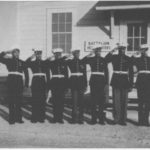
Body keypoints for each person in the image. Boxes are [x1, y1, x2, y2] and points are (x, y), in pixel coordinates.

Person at [105, 42, 133, 125]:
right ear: (118, 49)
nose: (122, 50)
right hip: (116, 80)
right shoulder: (114, 57)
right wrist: (112, 51)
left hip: (125, 81)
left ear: (125, 49)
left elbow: (131, 72)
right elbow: (106, 59)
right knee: (116, 101)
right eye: (120, 49)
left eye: (124, 48)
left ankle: (123, 120)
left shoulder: (128, 58)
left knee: (124, 102)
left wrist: (131, 84)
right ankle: (116, 119)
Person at [0, 48, 28, 124]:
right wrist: (6, 51)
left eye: (17, 53)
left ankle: (19, 118)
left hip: (19, 82)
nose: (16, 54)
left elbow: (26, 70)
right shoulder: (8, 60)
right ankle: (11, 119)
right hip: (11, 82)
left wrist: (26, 84)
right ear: (12, 54)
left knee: (19, 101)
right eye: (14, 53)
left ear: (19, 53)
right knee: (11, 101)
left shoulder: (22, 62)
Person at [83, 44, 108, 125]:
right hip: (93, 80)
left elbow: (106, 71)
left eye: (99, 50)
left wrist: (106, 82)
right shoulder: (91, 59)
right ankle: (93, 119)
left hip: (101, 81)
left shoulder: (103, 60)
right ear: (94, 51)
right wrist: (89, 55)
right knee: (93, 101)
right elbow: (82, 61)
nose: (98, 52)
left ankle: (101, 119)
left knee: (101, 101)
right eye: (96, 51)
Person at [26, 50, 49, 123]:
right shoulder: (32, 63)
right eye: (37, 54)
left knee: (42, 100)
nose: (39, 56)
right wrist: (31, 56)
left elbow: (48, 73)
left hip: (42, 81)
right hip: (35, 81)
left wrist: (48, 85)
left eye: (40, 54)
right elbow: (26, 63)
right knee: (35, 99)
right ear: (36, 55)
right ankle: (34, 117)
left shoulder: (45, 62)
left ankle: (41, 117)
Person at [65, 49, 87, 124]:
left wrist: (85, 85)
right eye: (76, 53)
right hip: (73, 83)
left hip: (81, 83)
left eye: (78, 53)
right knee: (74, 102)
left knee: (81, 102)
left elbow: (85, 74)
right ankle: (74, 119)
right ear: (73, 54)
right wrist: (67, 56)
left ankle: (81, 119)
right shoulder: (70, 61)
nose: (77, 55)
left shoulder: (82, 62)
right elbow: (62, 62)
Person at [48, 48, 68, 124]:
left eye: (59, 54)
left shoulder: (64, 62)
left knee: (61, 101)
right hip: (54, 83)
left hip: (62, 83)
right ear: (54, 55)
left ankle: (60, 118)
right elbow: (46, 63)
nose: (58, 55)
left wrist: (66, 86)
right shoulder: (52, 63)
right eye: (56, 54)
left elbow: (66, 74)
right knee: (55, 101)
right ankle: (55, 118)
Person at [132, 44, 150, 126]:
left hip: (148, 82)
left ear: (147, 50)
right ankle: (140, 121)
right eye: (142, 50)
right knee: (140, 102)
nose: (144, 51)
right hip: (141, 82)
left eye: (145, 50)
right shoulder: (137, 59)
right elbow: (131, 61)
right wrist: (135, 54)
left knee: (148, 102)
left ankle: (146, 121)